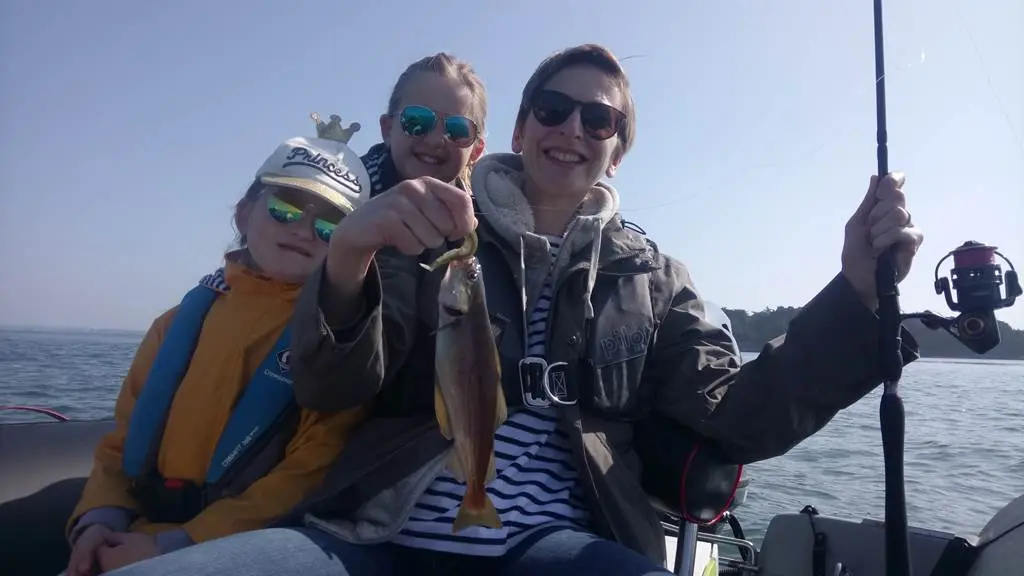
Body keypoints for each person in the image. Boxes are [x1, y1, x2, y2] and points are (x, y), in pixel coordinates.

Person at [104, 43, 925, 576]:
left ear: (618, 146)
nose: (573, 127)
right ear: (522, 127)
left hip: (552, 546)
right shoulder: (426, 228)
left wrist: (854, 295)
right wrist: (351, 253)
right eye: (553, 109)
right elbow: (330, 387)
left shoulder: (656, 276)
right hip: (370, 537)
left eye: (598, 118)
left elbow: (741, 416)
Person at [63, 116, 375, 575]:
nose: (305, 229)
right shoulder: (172, 325)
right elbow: (119, 444)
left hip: (225, 548)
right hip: (132, 533)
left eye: (330, 226)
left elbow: (307, 473)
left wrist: (178, 545)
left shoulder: (339, 343)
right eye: (287, 208)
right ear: (244, 212)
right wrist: (97, 521)